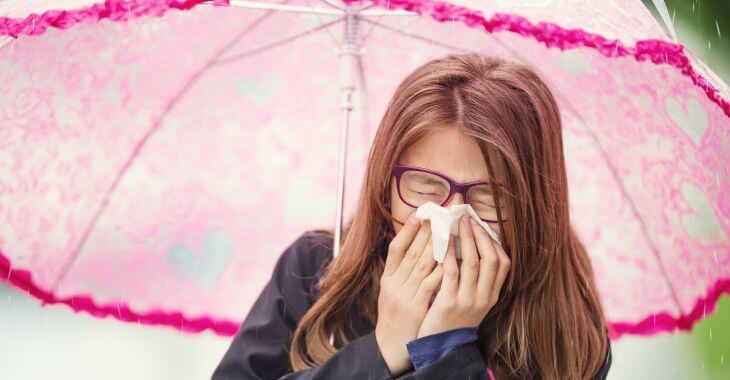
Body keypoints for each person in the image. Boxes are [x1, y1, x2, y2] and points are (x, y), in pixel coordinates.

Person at [212, 52, 612, 379]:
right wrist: (382, 349)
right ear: (385, 181)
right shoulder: (316, 269)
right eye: (424, 189)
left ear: (533, 202)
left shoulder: (565, 325)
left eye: (489, 197)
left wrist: (446, 350)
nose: (453, 216)